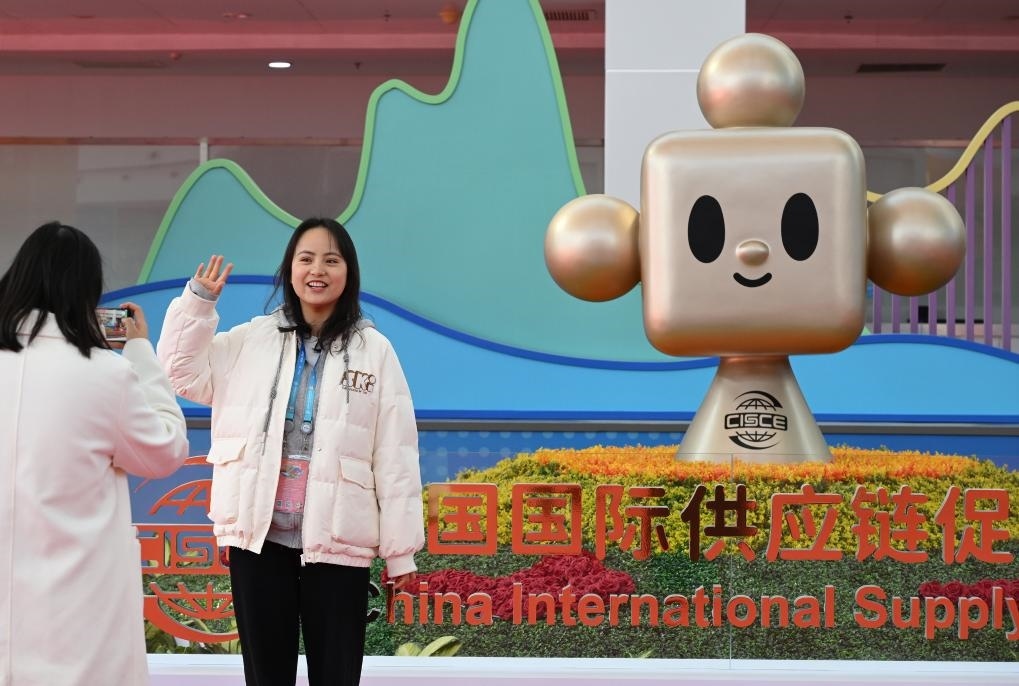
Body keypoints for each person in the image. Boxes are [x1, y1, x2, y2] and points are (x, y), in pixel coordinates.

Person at [157, 217, 424, 686]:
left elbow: (396, 456)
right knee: (266, 675)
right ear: (290, 269)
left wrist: (400, 554)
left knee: (337, 675)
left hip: (339, 542)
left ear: (348, 273)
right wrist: (197, 304)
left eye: (331, 260)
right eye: (306, 259)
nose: (317, 270)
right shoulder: (251, 339)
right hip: (258, 539)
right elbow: (180, 373)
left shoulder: (375, 351)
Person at [0, 221, 189, 686]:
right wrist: (139, 352)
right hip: (76, 613)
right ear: (86, 292)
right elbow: (165, 452)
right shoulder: (105, 374)